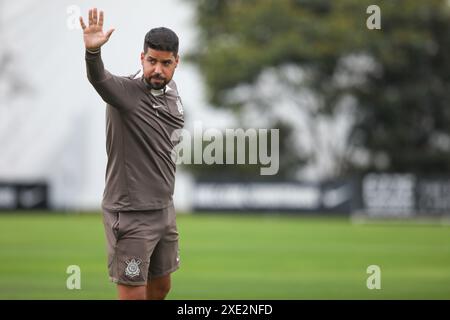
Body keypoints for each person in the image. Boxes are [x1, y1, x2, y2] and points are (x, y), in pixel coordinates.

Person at [79, 8, 184, 300]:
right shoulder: (124, 91)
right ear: (142, 58)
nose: (158, 70)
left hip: (164, 210)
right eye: (151, 61)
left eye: (166, 63)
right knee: (133, 295)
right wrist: (93, 52)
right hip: (130, 215)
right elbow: (99, 79)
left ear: (176, 63)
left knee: (162, 287)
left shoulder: (171, 91)